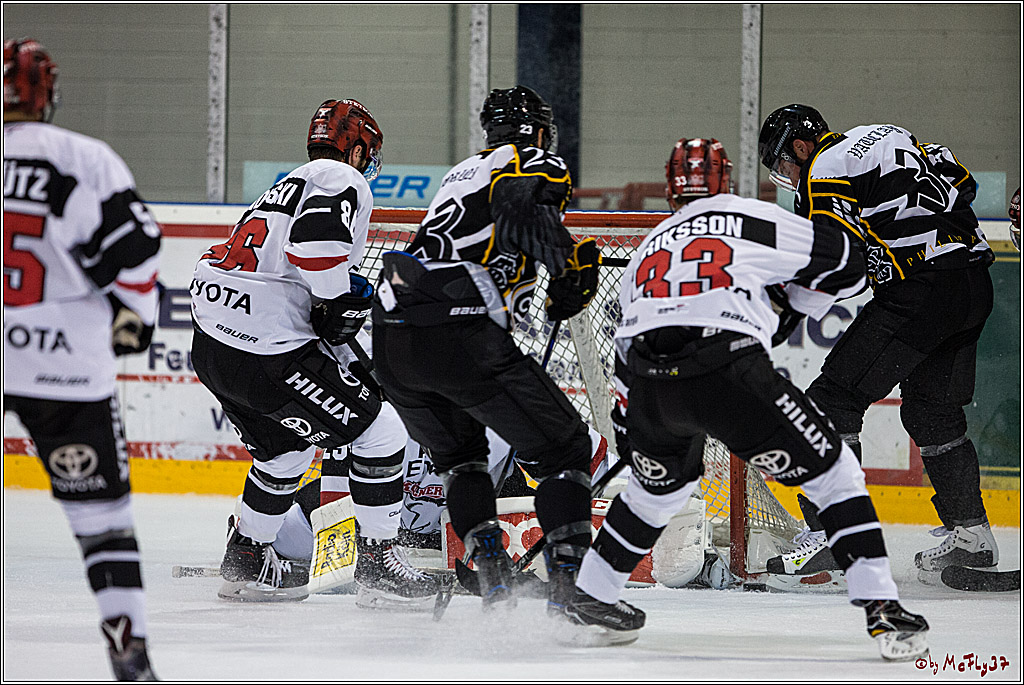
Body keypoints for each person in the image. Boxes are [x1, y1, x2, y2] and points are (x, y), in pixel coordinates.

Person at [566, 137, 929, 658]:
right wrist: (793, 304)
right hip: (724, 369)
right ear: (727, 182)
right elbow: (846, 260)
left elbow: (624, 339)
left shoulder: (649, 247)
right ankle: (883, 610)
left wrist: (631, 424)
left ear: (670, 191)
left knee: (655, 491)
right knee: (835, 472)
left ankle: (591, 599)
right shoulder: (745, 216)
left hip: (648, 381)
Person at [189, 98, 438, 608]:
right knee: (382, 432)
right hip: (264, 348)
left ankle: (245, 562)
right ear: (360, 146)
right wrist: (338, 298)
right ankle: (378, 567)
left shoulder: (286, 184)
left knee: (285, 452)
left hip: (213, 343)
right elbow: (317, 246)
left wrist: (330, 310)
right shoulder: (337, 176)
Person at [372, 85, 600, 615]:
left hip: (394, 333)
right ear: (541, 130)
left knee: (463, 461)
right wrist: (565, 264)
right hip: (455, 326)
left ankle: (496, 578)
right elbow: (521, 209)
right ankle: (570, 590)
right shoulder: (528, 159)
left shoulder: (461, 172)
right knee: (565, 448)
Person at [758, 105, 997, 578]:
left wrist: (782, 314)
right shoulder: (888, 134)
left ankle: (834, 532)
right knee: (932, 411)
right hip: (973, 285)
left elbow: (837, 262)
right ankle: (972, 536)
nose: (787, 174)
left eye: (784, 163)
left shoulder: (824, 168)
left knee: (830, 402)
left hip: (922, 290)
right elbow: (962, 181)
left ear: (801, 147)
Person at [3, 38, 159, 680]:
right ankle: (129, 654)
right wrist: (136, 316)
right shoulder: (82, 159)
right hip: (62, 362)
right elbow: (138, 250)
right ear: (50, 94)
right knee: (102, 521)